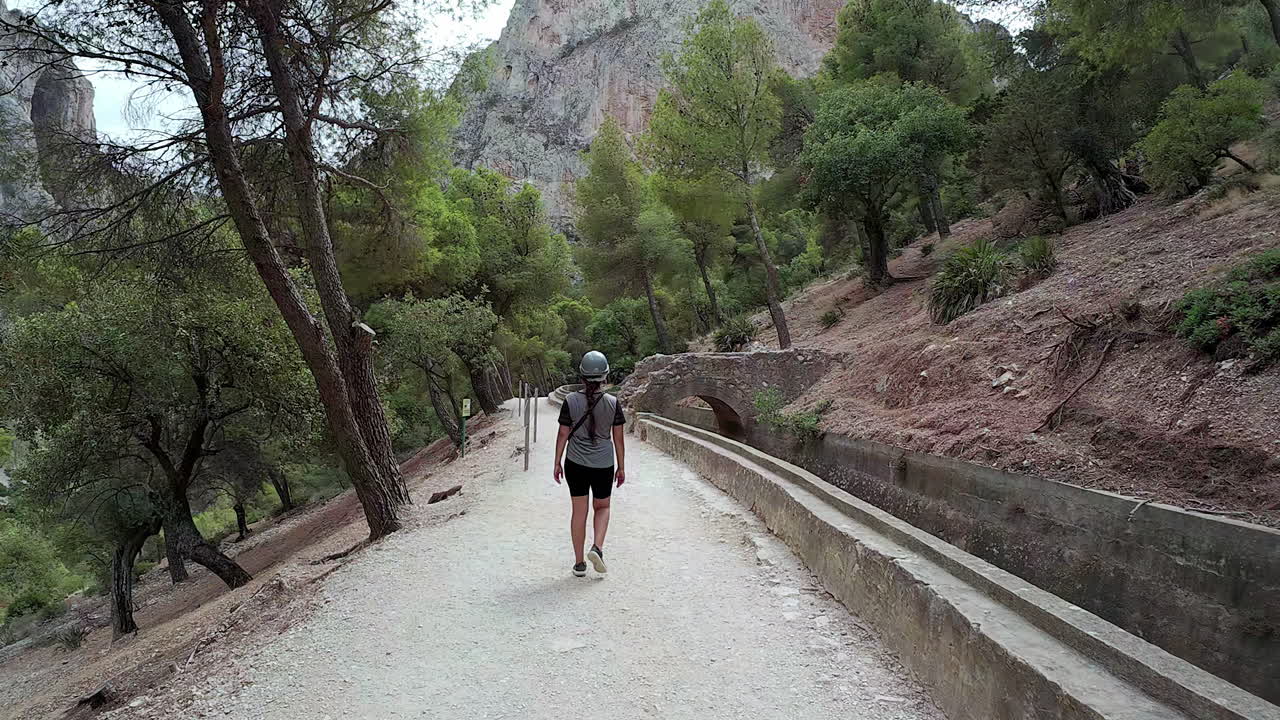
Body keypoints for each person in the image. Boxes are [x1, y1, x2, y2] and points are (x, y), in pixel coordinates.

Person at [553, 350, 626, 577]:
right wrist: (621, 467)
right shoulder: (613, 403)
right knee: (602, 507)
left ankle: (579, 564)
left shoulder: (570, 401)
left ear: (582, 376)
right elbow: (618, 439)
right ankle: (597, 548)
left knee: (579, 512)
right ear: (605, 376)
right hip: (603, 464)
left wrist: (557, 462)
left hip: (575, 462)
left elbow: (563, 433)